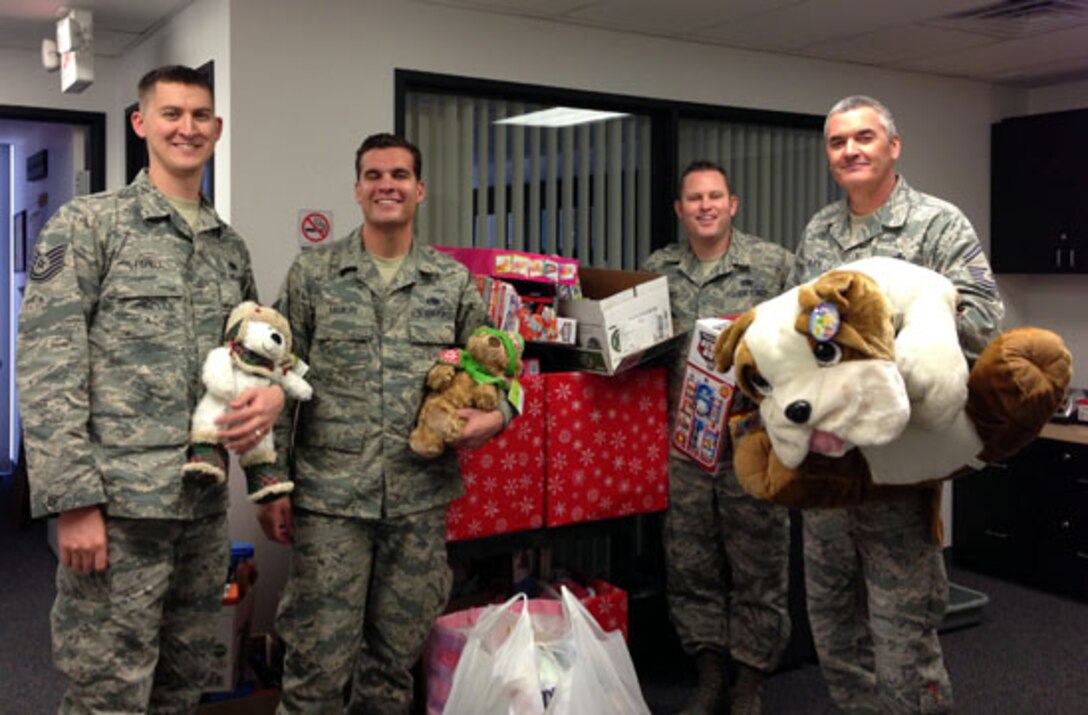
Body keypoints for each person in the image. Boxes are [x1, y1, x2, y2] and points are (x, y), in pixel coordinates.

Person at [16, 65, 284, 713]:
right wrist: (72, 502)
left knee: (183, 681)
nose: (186, 128)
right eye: (171, 114)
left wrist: (270, 394)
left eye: (199, 116)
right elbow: (49, 364)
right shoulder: (91, 226)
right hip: (117, 512)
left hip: (201, 510)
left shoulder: (228, 248)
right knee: (108, 691)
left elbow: (247, 355)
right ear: (142, 124)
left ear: (216, 129)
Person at [257, 133, 510, 713]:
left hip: (417, 505)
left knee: (392, 667)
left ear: (419, 190)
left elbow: (500, 366)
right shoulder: (314, 274)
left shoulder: (449, 283)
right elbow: (276, 380)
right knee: (316, 667)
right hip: (331, 505)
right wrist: (270, 482)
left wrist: (493, 419)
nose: (386, 185)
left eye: (399, 175)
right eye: (374, 176)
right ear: (357, 189)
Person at [791, 96, 1004, 714]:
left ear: (893, 146)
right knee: (833, 622)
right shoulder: (819, 232)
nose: (851, 150)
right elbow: (806, 327)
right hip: (830, 461)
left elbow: (984, 320)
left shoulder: (938, 224)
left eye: (863, 137)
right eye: (837, 142)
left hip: (900, 462)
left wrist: (890, 329)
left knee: (902, 628)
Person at [642, 161, 793, 715]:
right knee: (691, 565)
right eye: (694, 198)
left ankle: (750, 681)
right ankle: (708, 676)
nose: (705, 206)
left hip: (753, 443)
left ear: (733, 204)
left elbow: (803, 345)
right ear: (680, 209)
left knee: (759, 565)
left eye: (715, 196)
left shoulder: (774, 265)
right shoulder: (659, 270)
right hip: (685, 447)